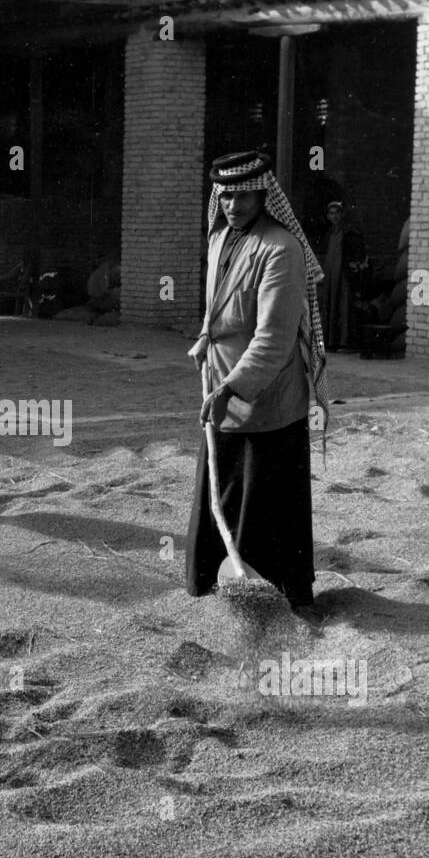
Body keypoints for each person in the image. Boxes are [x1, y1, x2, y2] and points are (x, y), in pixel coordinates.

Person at [184, 150, 330, 620]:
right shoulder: (219, 238)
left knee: (264, 495)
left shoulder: (280, 248)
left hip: (268, 398)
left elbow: (273, 338)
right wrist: (206, 342)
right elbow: (217, 309)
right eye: (225, 195)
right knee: (223, 488)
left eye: (243, 194)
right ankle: (214, 582)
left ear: (264, 193)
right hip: (220, 386)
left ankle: (282, 593)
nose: (233, 205)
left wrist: (230, 388)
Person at [318, 200, 369, 351]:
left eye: (337, 213)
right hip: (331, 275)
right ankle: (331, 341)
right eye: (331, 213)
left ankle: (345, 342)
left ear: (342, 214)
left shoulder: (349, 233)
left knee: (344, 306)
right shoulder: (330, 234)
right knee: (330, 305)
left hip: (343, 275)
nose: (335, 217)